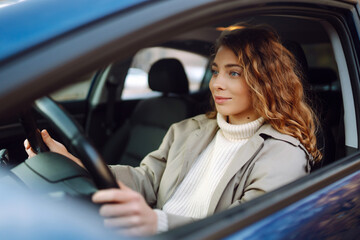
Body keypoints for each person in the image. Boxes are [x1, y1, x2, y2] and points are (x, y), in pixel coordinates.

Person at [24, 24, 321, 236]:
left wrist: (158, 224)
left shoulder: (283, 151)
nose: (217, 83)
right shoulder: (188, 128)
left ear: (264, 81)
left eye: (234, 73)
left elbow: (248, 226)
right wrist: (79, 166)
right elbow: (146, 180)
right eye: (216, 71)